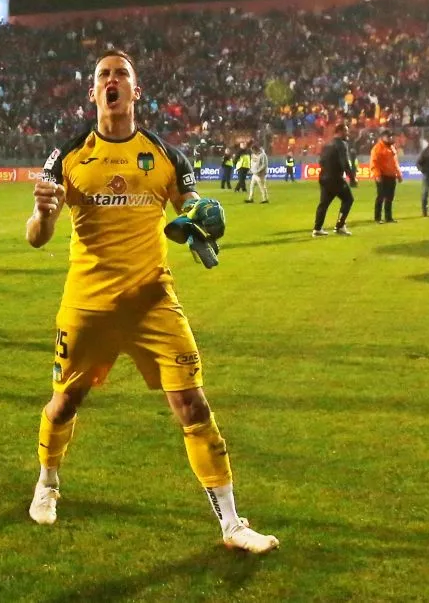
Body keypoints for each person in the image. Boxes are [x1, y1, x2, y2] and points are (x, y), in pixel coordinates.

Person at [25, 49, 278, 554]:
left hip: (152, 302)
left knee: (192, 403)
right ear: (93, 92)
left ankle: (231, 524)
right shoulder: (69, 155)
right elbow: (36, 236)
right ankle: (47, 482)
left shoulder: (165, 154)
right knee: (64, 403)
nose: (112, 80)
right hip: (88, 303)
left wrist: (207, 217)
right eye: (103, 75)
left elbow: (193, 209)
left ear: (135, 91)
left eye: (121, 74)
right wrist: (45, 214)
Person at [312, 123, 357, 237]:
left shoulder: (327, 144)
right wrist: (352, 178)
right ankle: (340, 226)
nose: (348, 134)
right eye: (346, 131)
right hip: (335, 178)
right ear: (340, 131)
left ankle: (317, 229)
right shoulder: (341, 144)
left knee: (324, 204)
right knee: (348, 199)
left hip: (323, 177)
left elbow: (321, 161)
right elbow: (345, 163)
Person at [370, 128, 402, 223]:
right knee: (381, 197)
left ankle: (388, 217)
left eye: (391, 136)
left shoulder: (391, 147)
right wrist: (377, 175)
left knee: (390, 197)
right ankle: (378, 218)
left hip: (391, 176)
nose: (391, 138)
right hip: (382, 176)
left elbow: (395, 162)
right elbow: (374, 163)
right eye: (388, 136)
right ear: (382, 137)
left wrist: (398, 174)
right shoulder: (377, 148)